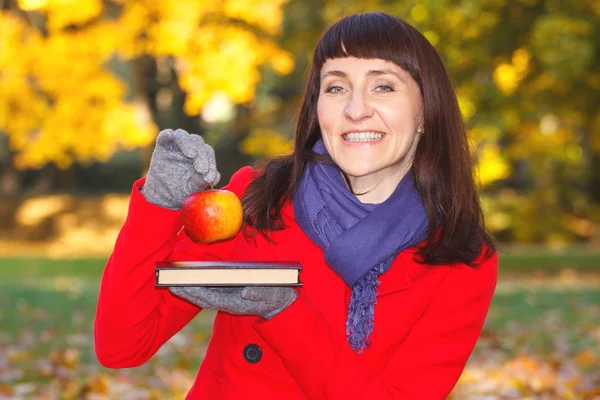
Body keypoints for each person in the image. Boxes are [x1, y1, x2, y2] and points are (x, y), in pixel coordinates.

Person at [94, 11, 498, 400]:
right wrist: (160, 204)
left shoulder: (461, 257)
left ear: (426, 111)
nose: (355, 110)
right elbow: (122, 346)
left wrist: (285, 312)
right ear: (317, 106)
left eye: (383, 86)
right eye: (336, 87)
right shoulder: (258, 200)